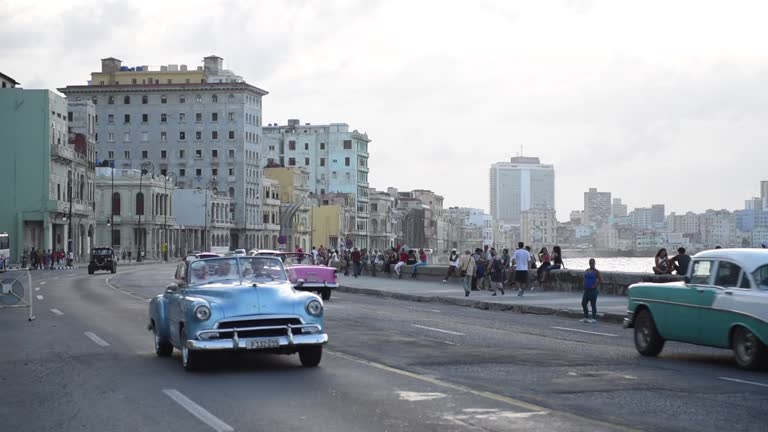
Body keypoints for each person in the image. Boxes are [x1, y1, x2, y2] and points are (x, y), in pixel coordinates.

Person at [580, 258, 603, 323]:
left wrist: (595, 285)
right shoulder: (587, 270)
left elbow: (601, 280)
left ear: (594, 263)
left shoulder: (596, 271)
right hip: (586, 290)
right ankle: (586, 317)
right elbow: (584, 278)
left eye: (593, 263)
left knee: (593, 304)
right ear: (589, 263)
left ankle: (593, 318)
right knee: (583, 303)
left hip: (593, 290)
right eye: (590, 263)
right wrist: (583, 284)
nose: (591, 264)